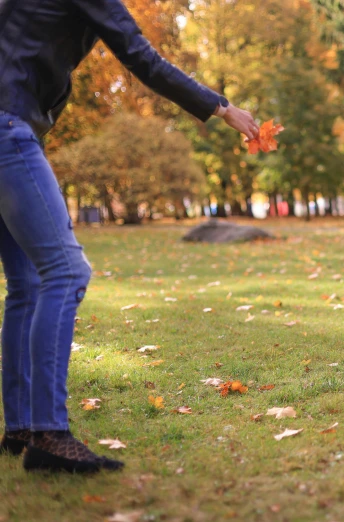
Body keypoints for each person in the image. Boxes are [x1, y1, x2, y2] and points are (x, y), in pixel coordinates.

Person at [0, 0, 258, 473]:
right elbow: (141, 57)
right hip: (10, 129)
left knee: (27, 284)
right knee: (65, 271)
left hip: (12, 123)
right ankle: (49, 435)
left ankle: (20, 427)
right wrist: (221, 107)